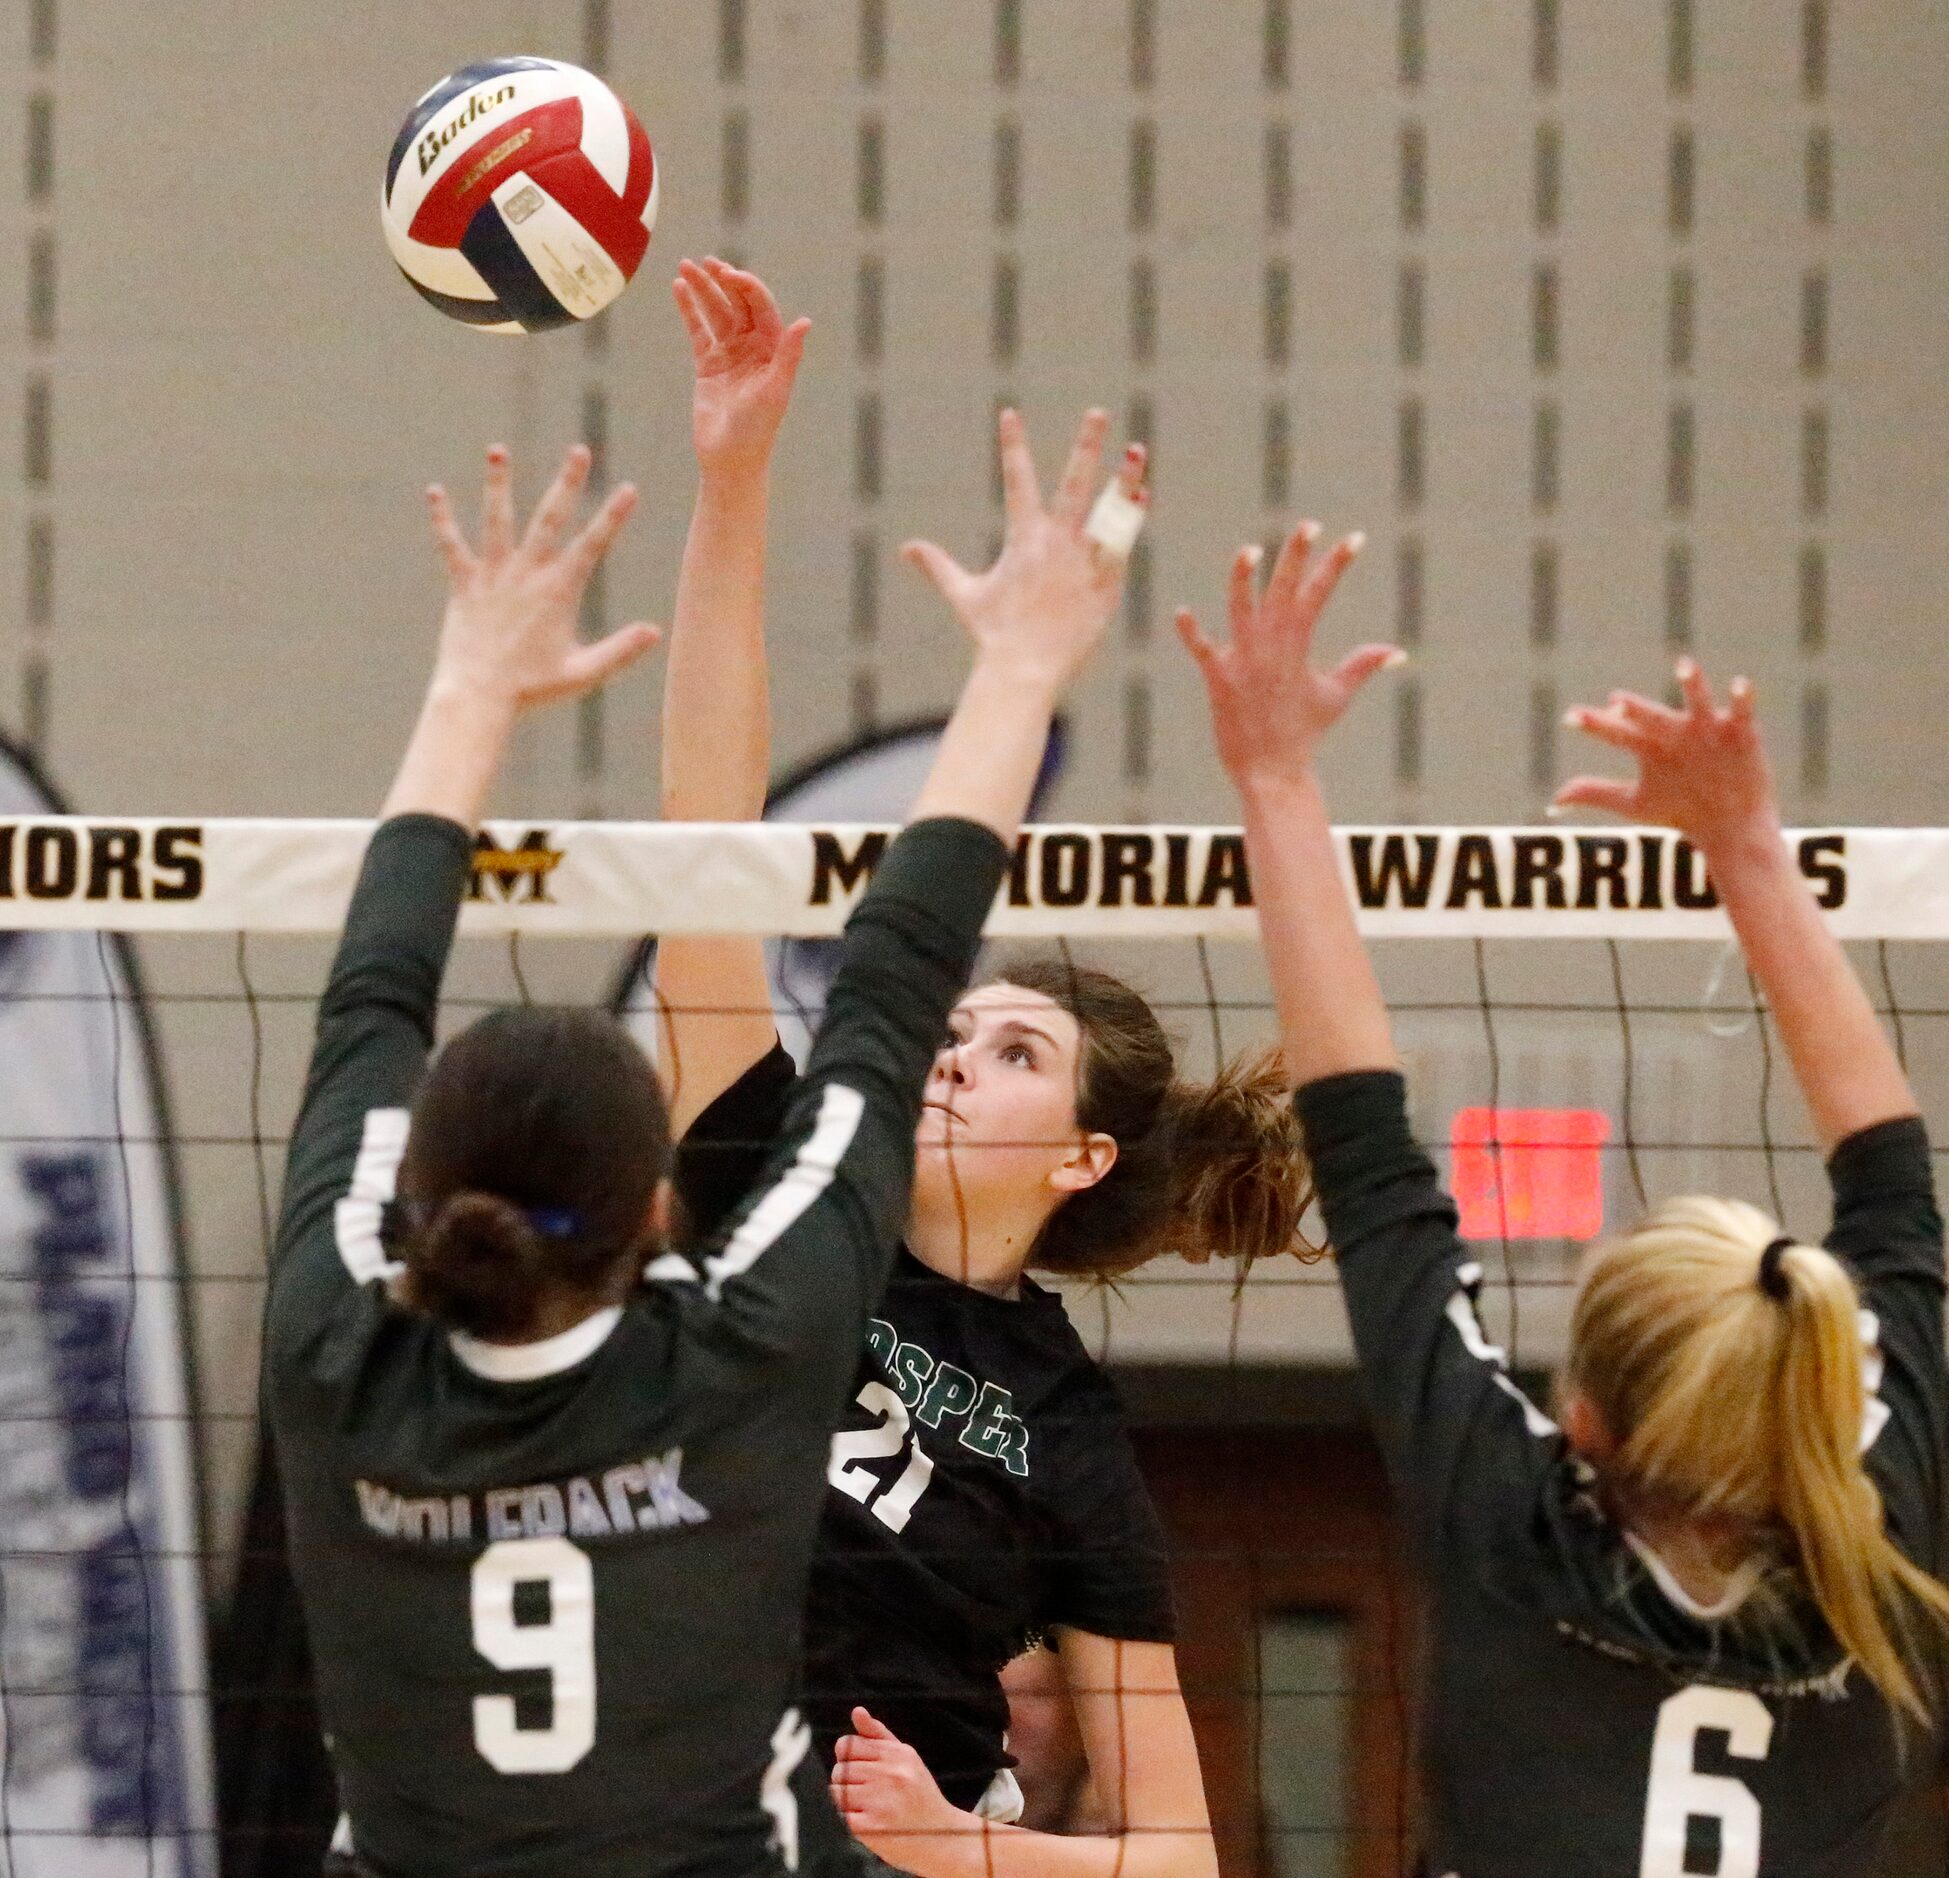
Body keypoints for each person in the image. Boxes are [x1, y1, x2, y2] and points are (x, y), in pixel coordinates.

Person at [268, 415, 1109, 1876]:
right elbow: (897, 969)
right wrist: (1023, 670)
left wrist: (472, 682)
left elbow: (368, 995)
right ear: (660, 1204)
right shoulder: (748, 1349)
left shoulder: (339, 1357)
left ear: (411, 1196)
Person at [653, 258, 1306, 1878]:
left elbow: (1176, 1852)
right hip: (678, 1817)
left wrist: (965, 1851)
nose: (950, 1057)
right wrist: (729, 487)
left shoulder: (1065, 1425)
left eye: (1013, 1052)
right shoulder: (779, 1181)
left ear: (1080, 1155)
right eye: (949, 1024)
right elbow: (698, 855)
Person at [1177, 519, 1949, 1875]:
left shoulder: (1504, 1524)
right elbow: (1367, 1155)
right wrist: (1749, 847)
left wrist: (1272, 772)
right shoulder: (1870, 1552)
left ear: (1581, 1418)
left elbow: (1892, 1191)